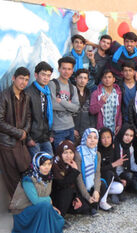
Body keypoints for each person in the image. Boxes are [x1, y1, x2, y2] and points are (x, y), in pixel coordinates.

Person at [9, 152, 64, 233]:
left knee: (57, 217)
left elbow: (42, 199)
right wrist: (49, 200)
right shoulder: (28, 179)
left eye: (49, 164)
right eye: (43, 164)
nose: (47, 167)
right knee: (45, 206)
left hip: (38, 208)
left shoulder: (48, 177)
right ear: (37, 164)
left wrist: (51, 206)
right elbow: (35, 200)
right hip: (23, 212)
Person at [0, 67, 32, 198]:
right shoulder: (4, 96)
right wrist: (19, 133)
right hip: (7, 144)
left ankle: (26, 206)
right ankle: (19, 210)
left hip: (21, 143)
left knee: (26, 172)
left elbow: (29, 117)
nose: (23, 82)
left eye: (26, 80)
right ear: (13, 78)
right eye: (21, 78)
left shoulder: (26, 96)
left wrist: (25, 131)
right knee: (13, 179)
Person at [76, 128, 112, 214]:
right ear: (85, 138)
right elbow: (78, 177)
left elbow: (97, 173)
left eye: (95, 138)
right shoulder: (78, 153)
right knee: (82, 208)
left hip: (91, 185)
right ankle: (90, 204)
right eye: (89, 137)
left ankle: (93, 204)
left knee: (102, 184)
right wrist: (87, 196)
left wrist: (96, 190)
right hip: (80, 187)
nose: (92, 140)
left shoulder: (97, 154)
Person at [51, 140, 90, 219]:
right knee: (67, 190)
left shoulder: (70, 164)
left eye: (71, 153)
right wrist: (75, 171)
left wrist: (76, 197)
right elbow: (62, 184)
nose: (68, 156)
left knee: (85, 207)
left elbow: (74, 183)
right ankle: (59, 217)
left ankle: (66, 210)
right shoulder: (54, 165)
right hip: (55, 198)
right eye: (65, 153)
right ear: (60, 153)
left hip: (67, 197)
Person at [49, 57, 80, 148]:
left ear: (72, 70)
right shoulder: (52, 84)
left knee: (69, 156)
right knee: (59, 156)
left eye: (69, 69)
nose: (66, 72)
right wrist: (69, 105)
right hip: (58, 129)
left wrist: (62, 101)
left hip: (70, 127)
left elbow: (76, 108)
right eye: (64, 68)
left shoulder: (72, 87)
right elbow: (53, 105)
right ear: (59, 69)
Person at [26, 62, 54, 156]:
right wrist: (28, 138)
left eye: (48, 75)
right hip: (33, 137)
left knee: (50, 161)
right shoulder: (28, 93)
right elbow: (24, 118)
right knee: (37, 165)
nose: (46, 78)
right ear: (36, 75)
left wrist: (50, 134)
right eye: (43, 74)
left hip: (45, 136)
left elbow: (47, 115)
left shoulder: (47, 92)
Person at [113, 124, 137, 198]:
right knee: (129, 175)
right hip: (112, 174)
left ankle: (122, 188)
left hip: (123, 173)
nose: (128, 138)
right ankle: (115, 191)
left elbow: (132, 165)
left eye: (131, 136)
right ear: (122, 133)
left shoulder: (130, 148)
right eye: (126, 134)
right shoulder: (114, 145)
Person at [97, 128, 125, 204]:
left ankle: (105, 194)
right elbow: (98, 170)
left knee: (120, 187)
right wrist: (114, 164)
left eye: (108, 137)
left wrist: (119, 180)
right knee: (109, 173)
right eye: (103, 138)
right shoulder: (97, 151)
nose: (106, 140)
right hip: (98, 180)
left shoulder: (113, 149)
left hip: (108, 180)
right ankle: (103, 201)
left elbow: (113, 170)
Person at [73, 69, 96, 144]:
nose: (82, 80)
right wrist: (73, 128)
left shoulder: (89, 93)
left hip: (86, 129)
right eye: (80, 77)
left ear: (88, 80)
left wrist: (92, 128)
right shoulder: (71, 91)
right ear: (75, 79)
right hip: (73, 129)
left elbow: (92, 113)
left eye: (85, 78)